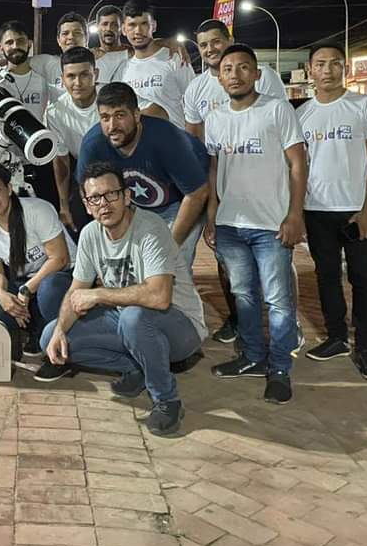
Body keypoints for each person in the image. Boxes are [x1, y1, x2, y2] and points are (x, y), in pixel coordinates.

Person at [39, 162, 207, 437]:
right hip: (130, 319)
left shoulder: (150, 228)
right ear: (87, 205)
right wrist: (59, 329)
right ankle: (137, 366)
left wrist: (98, 294)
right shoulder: (90, 234)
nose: (104, 204)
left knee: (134, 316)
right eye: (95, 198)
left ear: (127, 196)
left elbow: (160, 297)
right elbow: (76, 291)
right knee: (50, 338)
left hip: (180, 326)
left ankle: (167, 400)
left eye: (111, 194)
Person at [205, 43, 307, 405]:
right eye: (227, 69)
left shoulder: (277, 109)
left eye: (243, 67)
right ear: (219, 78)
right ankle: (251, 357)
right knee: (243, 295)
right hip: (230, 224)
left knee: (278, 300)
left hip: (271, 224)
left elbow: (298, 163)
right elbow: (214, 170)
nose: (235, 75)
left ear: (257, 74)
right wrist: (211, 217)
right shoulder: (215, 118)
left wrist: (295, 214)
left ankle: (279, 369)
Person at [184, 18, 287, 345]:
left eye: (216, 41)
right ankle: (238, 320)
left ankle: (286, 330)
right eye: (203, 45)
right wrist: (208, 197)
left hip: (266, 195)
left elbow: (283, 135)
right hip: (222, 190)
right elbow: (196, 142)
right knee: (227, 262)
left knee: (277, 272)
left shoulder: (264, 78)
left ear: (229, 39)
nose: (210, 49)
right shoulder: (196, 88)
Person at [297, 43, 367, 379]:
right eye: (320, 64)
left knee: (363, 279)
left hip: (355, 210)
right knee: (326, 276)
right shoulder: (301, 115)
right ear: (310, 70)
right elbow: (297, 168)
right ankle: (336, 337)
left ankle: (366, 348)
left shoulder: (365, 106)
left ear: (345, 68)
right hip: (316, 210)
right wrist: (297, 212)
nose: (327, 70)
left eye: (335, 63)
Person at [76, 83, 208, 268]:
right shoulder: (92, 144)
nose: (112, 126)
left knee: (171, 265)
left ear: (137, 115)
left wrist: (168, 248)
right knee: (134, 265)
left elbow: (197, 194)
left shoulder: (167, 138)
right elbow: (87, 192)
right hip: (135, 204)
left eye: (120, 115)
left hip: (185, 198)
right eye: (105, 118)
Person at [0, 166, 75, 355]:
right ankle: (25, 336)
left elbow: (59, 258)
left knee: (50, 289)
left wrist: (26, 290)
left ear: (9, 189)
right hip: (24, 279)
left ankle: (56, 339)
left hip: (62, 274)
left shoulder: (37, 209)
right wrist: (1, 293)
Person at [0, 19, 59, 204]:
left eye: (20, 41)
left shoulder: (43, 78)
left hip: (41, 156)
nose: (15, 46)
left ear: (29, 44)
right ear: (1, 47)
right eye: (9, 42)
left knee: (47, 208)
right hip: (8, 160)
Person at [45, 46, 101, 234]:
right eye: (71, 76)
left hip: (120, 169)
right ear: (63, 79)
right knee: (80, 228)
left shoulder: (111, 98)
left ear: (95, 74)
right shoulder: (55, 112)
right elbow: (61, 161)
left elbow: (156, 111)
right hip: (82, 173)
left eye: (84, 75)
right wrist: (64, 206)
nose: (78, 82)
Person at [118, 0, 194, 128]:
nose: (138, 31)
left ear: (153, 26)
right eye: (132, 25)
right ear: (124, 30)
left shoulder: (175, 58)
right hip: (141, 140)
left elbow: (194, 101)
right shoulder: (124, 69)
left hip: (174, 137)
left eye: (144, 24)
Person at [30, 11, 89, 90]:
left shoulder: (99, 63)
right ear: (58, 40)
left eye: (77, 33)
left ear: (86, 39)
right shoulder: (46, 63)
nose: (71, 37)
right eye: (65, 33)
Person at [92, 5, 129, 85]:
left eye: (114, 24)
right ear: (97, 27)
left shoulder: (133, 54)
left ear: (121, 28)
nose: (109, 28)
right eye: (105, 24)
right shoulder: (90, 56)